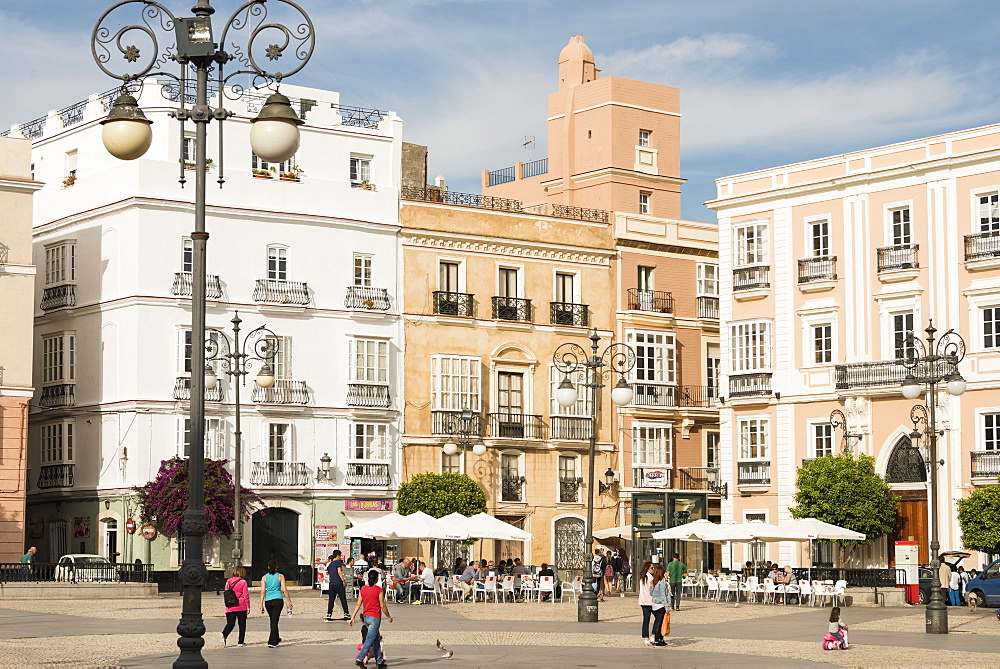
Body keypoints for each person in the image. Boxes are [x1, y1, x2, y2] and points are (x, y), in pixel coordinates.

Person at [350, 569, 392, 669]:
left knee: (376, 639)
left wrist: (353, 617)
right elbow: (382, 605)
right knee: (369, 640)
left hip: (366, 617)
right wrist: (389, 616)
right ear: (377, 579)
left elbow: (358, 604)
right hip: (375, 617)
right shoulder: (378, 590)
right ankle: (359, 659)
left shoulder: (363, 589)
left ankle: (379, 661)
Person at [259, 560, 292, 648]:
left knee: (273, 620)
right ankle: (272, 641)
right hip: (278, 599)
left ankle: (276, 638)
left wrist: (261, 604)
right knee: (275, 620)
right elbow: (284, 590)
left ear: (268, 567)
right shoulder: (280, 576)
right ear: (276, 567)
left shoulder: (264, 577)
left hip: (268, 601)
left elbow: (262, 591)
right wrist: (289, 602)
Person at [221, 565, 250, 647]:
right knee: (242, 624)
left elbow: (227, 593)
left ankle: (224, 634)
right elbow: (246, 595)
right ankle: (240, 642)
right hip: (241, 605)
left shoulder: (228, 581)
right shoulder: (243, 582)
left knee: (230, 623)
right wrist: (248, 606)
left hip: (230, 605)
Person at [649, 565, 671, 647]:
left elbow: (651, 593)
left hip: (654, 604)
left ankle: (660, 639)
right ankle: (658, 640)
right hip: (660, 605)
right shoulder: (661, 583)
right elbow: (663, 595)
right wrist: (667, 606)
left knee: (659, 622)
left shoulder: (653, 582)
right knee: (660, 622)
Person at [325, 550, 351, 621]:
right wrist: (343, 580)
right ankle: (346, 613)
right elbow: (339, 572)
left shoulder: (330, 564)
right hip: (339, 583)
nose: (340, 557)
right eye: (340, 556)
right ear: (337, 556)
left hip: (332, 584)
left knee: (331, 600)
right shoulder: (338, 563)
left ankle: (329, 614)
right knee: (343, 599)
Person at [637, 561, 655, 645]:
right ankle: (653, 635)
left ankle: (646, 637)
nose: (653, 569)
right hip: (650, 601)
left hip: (643, 601)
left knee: (646, 620)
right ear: (647, 569)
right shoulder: (650, 578)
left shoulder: (642, 577)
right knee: (658, 618)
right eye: (652, 568)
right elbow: (653, 590)